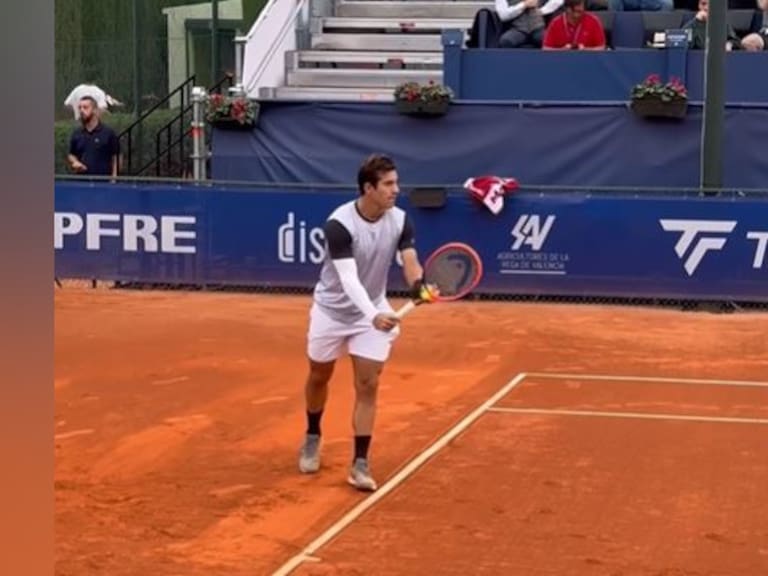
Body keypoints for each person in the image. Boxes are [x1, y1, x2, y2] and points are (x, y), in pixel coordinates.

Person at [298, 154, 429, 492]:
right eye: (388, 185)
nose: (396, 190)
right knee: (318, 375)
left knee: (368, 384)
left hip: (371, 311)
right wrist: (373, 315)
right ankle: (313, 433)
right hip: (331, 312)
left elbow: (410, 261)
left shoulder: (400, 220)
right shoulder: (339, 225)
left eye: (396, 183)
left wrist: (418, 286)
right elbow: (348, 279)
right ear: (368, 188)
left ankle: (360, 462)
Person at [67, 95, 119, 178]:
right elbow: (71, 154)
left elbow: (115, 157)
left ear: (94, 110)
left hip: (103, 184)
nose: (81, 110)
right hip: (81, 183)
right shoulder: (76, 134)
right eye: (80, 108)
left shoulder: (108, 133)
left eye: (85, 107)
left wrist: (114, 179)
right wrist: (75, 162)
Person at [542, 0, 606, 50]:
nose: (577, 15)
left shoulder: (593, 21)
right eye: (574, 11)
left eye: (580, 11)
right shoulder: (555, 23)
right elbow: (546, 48)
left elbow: (601, 47)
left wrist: (586, 50)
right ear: (567, 8)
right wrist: (562, 50)